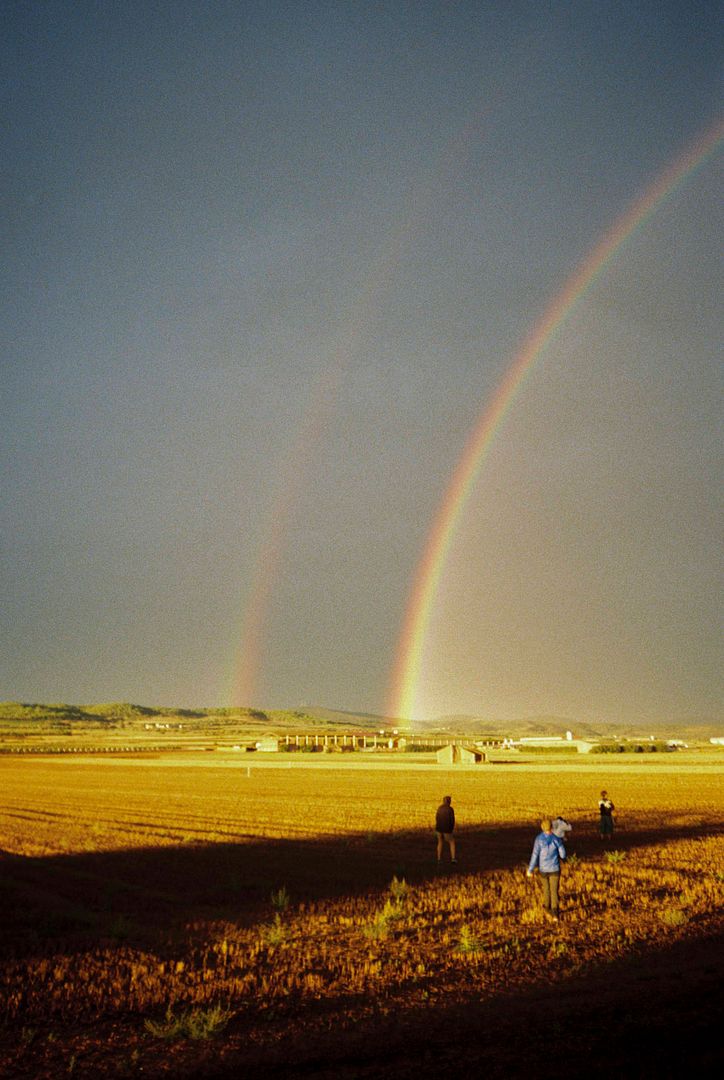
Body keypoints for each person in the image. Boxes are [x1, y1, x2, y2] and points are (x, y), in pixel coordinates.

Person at [527, 818, 566, 920]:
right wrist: (563, 858)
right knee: (554, 890)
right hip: (555, 868)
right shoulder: (556, 839)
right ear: (551, 827)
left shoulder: (538, 839)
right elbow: (563, 853)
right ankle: (555, 914)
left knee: (546, 889)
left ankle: (547, 909)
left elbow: (535, 855)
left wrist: (530, 870)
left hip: (543, 869)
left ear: (542, 827)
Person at [435, 795, 456, 864]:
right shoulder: (450, 809)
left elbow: (437, 818)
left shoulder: (439, 808)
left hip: (438, 829)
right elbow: (452, 820)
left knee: (440, 842)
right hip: (446, 829)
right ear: (449, 801)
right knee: (452, 842)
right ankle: (453, 859)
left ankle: (439, 859)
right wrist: (451, 829)